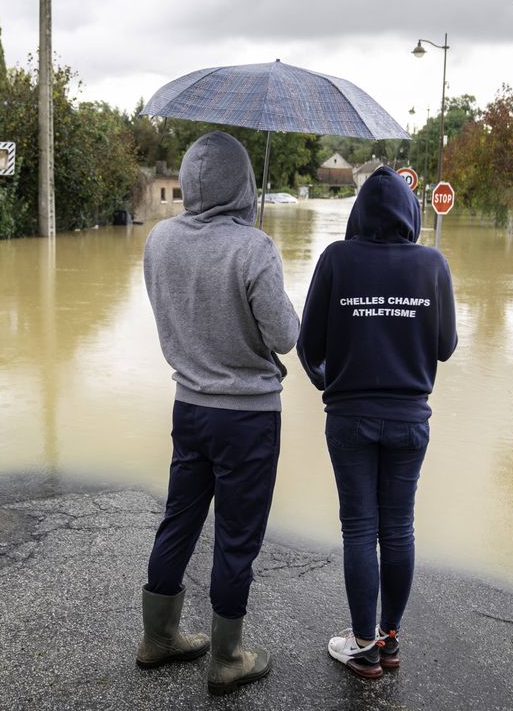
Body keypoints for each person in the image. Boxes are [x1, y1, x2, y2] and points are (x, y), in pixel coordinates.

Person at [135, 131, 300, 696]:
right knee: (235, 537)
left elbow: (173, 312)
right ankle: (226, 657)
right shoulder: (253, 248)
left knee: (179, 518)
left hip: (189, 406)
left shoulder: (158, 241)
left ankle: (159, 638)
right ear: (244, 183)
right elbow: (285, 335)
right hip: (248, 418)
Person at [296, 165, 458, 679]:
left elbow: (309, 346)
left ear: (358, 211)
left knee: (360, 530)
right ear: (412, 212)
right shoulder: (433, 264)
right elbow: (446, 347)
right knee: (399, 529)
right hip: (411, 420)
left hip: (348, 420)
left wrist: (330, 382)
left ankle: (363, 644)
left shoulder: (336, 259)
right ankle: (389, 642)